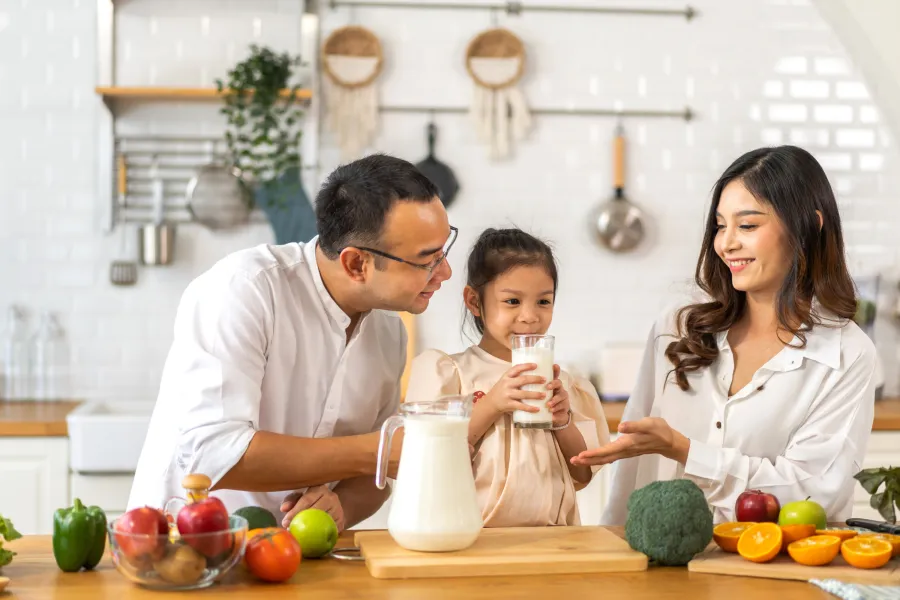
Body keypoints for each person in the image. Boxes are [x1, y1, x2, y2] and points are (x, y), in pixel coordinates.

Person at [127, 154, 456, 532]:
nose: (445, 272)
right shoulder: (245, 289)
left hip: (293, 558)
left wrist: (342, 508)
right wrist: (378, 451)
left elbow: (374, 479)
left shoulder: (390, 332)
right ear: (356, 265)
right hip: (181, 552)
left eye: (444, 251)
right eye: (427, 260)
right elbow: (211, 454)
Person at [571, 145, 877, 525]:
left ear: (809, 227)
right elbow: (631, 471)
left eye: (747, 225)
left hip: (771, 575)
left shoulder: (846, 353)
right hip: (658, 572)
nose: (726, 243)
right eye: (720, 225)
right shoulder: (676, 330)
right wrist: (613, 545)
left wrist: (685, 451)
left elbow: (812, 494)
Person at [406, 228, 610, 527]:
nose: (530, 316)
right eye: (512, 302)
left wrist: (563, 422)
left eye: (543, 301)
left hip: (553, 544)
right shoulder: (453, 374)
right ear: (475, 302)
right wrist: (491, 405)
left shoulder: (561, 384)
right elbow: (427, 466)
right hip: (471, 540)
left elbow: (582, 474)